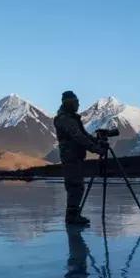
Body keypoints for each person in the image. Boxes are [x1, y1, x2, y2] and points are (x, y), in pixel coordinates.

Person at [53, 90, 103, 226]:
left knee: (77, 186)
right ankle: (72, 217)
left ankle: (74, 215)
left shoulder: (71, 118)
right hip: (71, 157)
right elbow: (79, 137)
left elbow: (84, 135)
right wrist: (96, 149)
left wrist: (96, 142)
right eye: (76, 102)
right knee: (75, 186)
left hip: (75, 156)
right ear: (69, 103)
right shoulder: (65, 119)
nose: (79, 105)